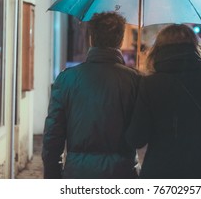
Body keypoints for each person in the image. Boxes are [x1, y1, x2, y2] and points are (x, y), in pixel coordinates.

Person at [126, 24, 201, 179]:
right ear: (196, 47)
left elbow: (136, 138)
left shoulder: (149, 84)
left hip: (160, 172)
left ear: (158, 50)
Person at [42, 12, 141, 179]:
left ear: (91, 38)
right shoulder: (134, 80)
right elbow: (140, 135)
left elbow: (53, 136)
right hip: (122, 173)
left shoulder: (66, 79)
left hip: (78, 175)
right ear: (121, 39)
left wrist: (53, 176)